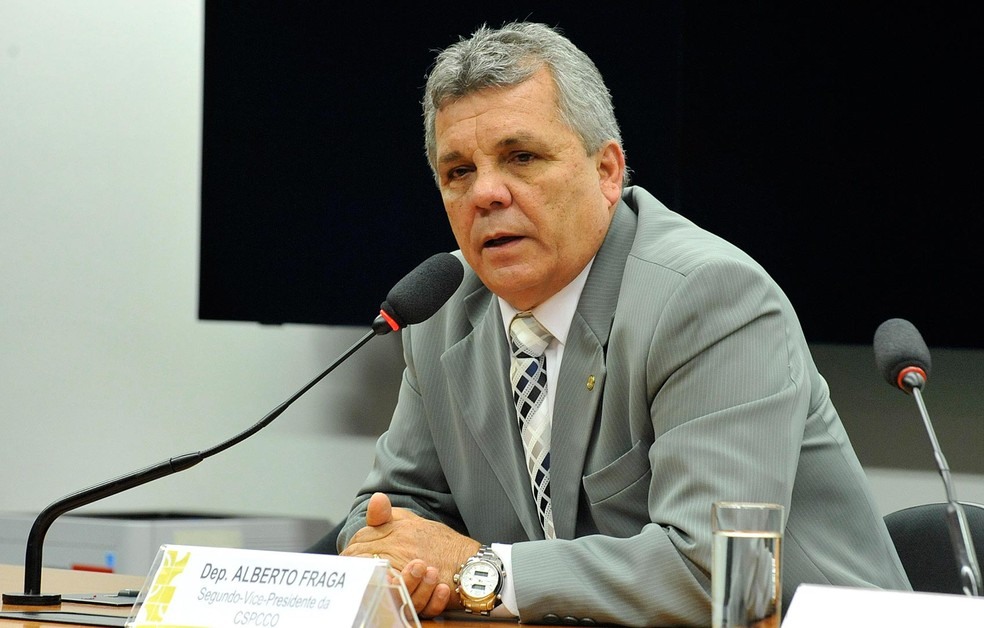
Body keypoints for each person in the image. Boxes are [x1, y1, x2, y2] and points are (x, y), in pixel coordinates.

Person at [337, 20, 910, 626]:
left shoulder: (711, 299)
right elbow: (388, 513)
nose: (486, 194)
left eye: (521, 157)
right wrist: (390, 556)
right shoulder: (442, 307)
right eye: (459, 173)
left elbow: (713, 572)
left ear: (608, 171)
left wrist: (480, 571)